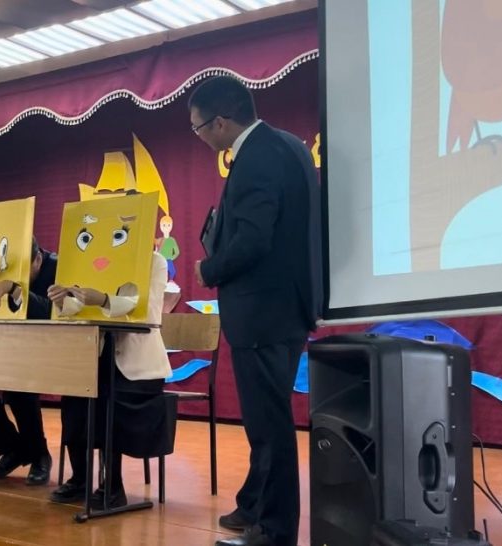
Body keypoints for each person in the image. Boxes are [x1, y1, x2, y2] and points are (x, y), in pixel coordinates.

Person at [189, 75, 322, 546]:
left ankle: (274, 529)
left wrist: (209, 268)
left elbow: (254, 240)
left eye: (198, 128)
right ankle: (253, 503)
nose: (200, 137)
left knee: (269, 424)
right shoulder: (290, 146)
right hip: (290, 307)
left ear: (221, 122)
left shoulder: (254, 158)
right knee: (269, 414)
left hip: (263, 310)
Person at [48, 251, 172, 509]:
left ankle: (113, 486)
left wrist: (104, 300)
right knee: (74, 396)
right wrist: (63, 302)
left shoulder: (154, 261)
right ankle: (80, 478)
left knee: (107, 399)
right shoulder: (98, 255)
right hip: (96, 354)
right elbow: (80, 310)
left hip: (137, 367)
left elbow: (148, 313)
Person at [0, 237, 56, 485]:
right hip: (9, 346)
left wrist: (14, 288)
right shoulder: (0, 262)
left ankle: (39, 455)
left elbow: (51, 310)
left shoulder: (56, 267)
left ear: (38, 259)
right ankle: (13, 449)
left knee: (18, 387)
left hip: (50, 349)